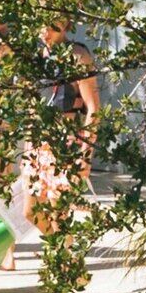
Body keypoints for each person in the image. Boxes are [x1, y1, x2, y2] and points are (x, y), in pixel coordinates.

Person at [16, 22, 102, 252]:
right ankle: (67, 259)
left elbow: (94, 108)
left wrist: (85, 154)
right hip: (37, 141)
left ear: (64, 25)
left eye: (51, 25)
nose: (45, 31)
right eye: (41, 24)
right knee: (30, 212)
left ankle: (65, 268)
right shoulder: (35, 57)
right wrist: (27, 148)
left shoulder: (78, 56)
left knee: (59, 212)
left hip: (66, 138)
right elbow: (32, 107)